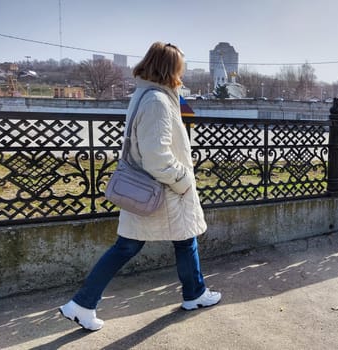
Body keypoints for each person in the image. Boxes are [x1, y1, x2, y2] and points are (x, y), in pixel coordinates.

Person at [59, 42, 221, 331]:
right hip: (162, 192)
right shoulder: (157, 102)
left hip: (149, 190)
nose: (182, 74)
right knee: (142, 245)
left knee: (178, 241)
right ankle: (82, 303)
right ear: (169, 68)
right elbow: (157, 156)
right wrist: (183, 180)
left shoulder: (146, 95)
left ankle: (194, 293)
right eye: (180, 68)